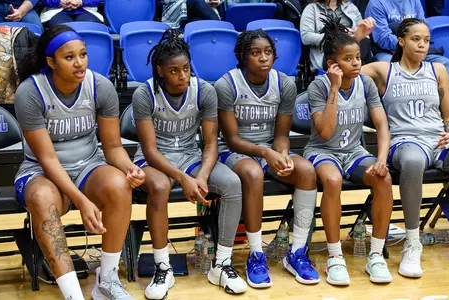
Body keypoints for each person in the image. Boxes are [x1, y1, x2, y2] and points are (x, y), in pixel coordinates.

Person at [361, 18, 449, 280]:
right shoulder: (384, 70)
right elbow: (346, 68)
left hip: (438, 143)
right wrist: (360, 36)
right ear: (401, 40)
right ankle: (412, 243)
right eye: (416, 39)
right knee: (414, 162)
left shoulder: (437, 70)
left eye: (427, 40)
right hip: (405, 142)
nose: (422, 45)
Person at [14, 25, 144, 300]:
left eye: (83, 55)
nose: (79, 63)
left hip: (88, 165)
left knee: (120, 185)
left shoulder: (100, 86)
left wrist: (129, 167)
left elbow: (111, 146)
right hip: (42, 171)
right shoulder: (30, 92)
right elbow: (47, 159)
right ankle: (73, 294)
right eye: (69, 57)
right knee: (41, 198)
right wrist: (82, 201)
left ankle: (106, 282)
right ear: (50, 62)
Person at [131, 28, 247, 298]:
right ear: (160, 71)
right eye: (174, 71)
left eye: (186, 68)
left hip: (191, 156)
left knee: (231, 183)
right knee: (159, 187)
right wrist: (183, 178)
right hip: (155, 160)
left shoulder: (204, 91)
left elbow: (210, 144)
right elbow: (149, 151)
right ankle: (163, 267)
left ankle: (222, 264)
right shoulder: (144, 94)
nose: (182, 76)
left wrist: (202, 176)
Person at [216, 29, 320, 288]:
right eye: (255, 53)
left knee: (306, 171)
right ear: (242, 56)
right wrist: (266, 153)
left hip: (270, 149)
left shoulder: (285, 84)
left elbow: (282, 135)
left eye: (268, 52)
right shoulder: (226, 84)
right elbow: (231, 139)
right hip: (235, 150)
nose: (263, 58)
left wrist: (282, 155)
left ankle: (296, 252)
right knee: (253, 173)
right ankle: (256, 253)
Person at [304, 14, 393, 285]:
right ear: (332, 64)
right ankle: (334, 257)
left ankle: (376, 255)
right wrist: (333, 88)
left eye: (358, 58)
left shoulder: (365, 84)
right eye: (348, 59)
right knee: (332, 180)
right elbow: (326, 132)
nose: (356, 63)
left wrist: (380, 160)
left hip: (354, 152)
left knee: (384, 178)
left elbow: (382, 125)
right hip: (322, 152)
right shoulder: (317, 87)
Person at [364, 0, 449, 74]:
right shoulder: (376, 3)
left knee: (444, 63)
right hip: (388, 52)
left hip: (414, 49)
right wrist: (410, 46)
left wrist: (415, 46)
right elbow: (383, 38)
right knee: (389, 66)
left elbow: (423, 28)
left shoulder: (414, 1)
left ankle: (433, 95)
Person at [300, 0, 376, 73]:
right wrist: (338, 35)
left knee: (364, 40)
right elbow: (306, 37)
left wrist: (362, 30)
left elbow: (360, 31)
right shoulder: (312, 9)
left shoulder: (351, 7)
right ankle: (362, 70)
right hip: (328, 53)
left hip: (355, 48)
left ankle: (360, 68)